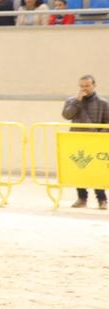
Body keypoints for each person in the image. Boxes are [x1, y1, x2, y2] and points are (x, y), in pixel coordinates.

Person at [64, 75, 109, 209]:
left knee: (97, 170)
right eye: (82, 86)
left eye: (87, 86)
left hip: (96, 141)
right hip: (77, 140)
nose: (84, 89)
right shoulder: (72, 101)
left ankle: (102, 199)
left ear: (94, 85)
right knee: (80, 169)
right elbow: (67, 115)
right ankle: (81, 198)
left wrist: (100, 136)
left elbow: (108, 122)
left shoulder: (103, 103)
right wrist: (77, 102)